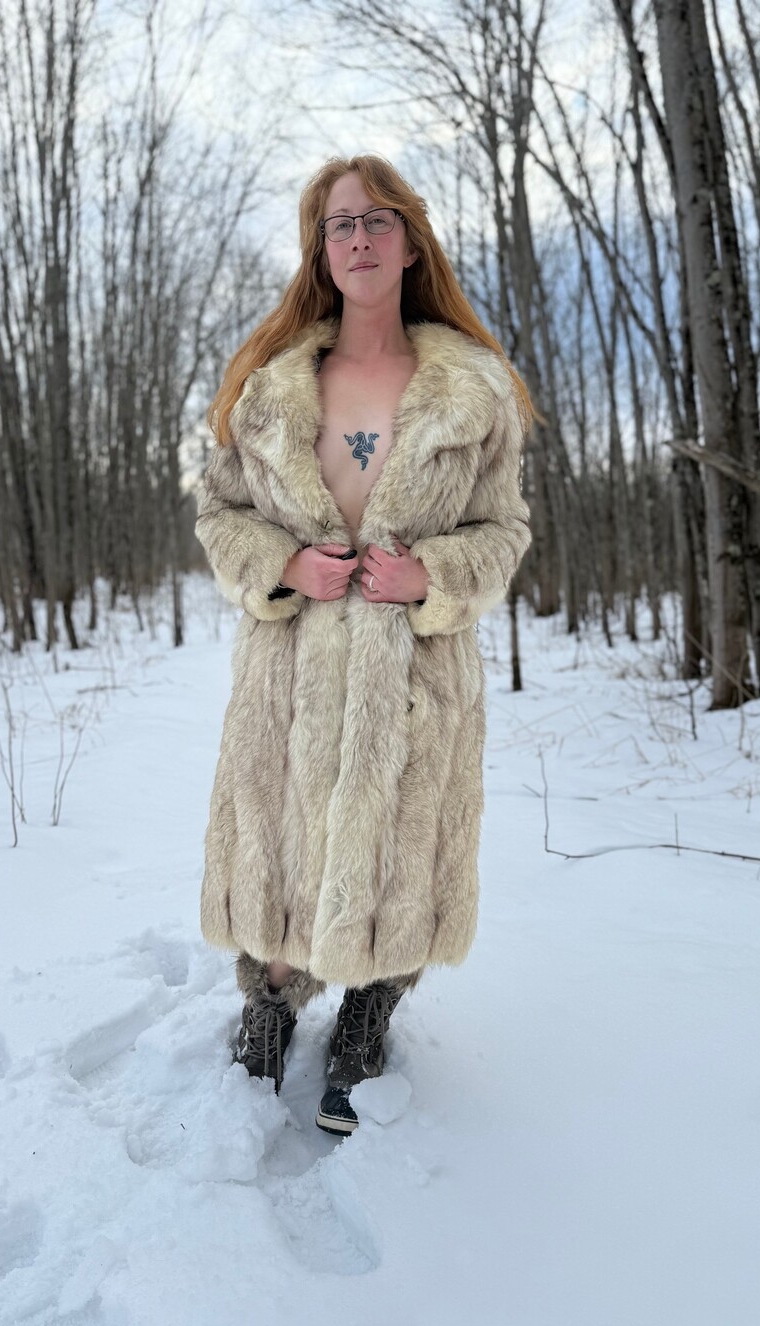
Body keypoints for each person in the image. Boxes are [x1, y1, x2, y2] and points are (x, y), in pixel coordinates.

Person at [195, 154, 534, 1135]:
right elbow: (219, 516)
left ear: (411, 241)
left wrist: (433, 576)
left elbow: (503, 531)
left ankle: (367, 1015)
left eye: (378, 220)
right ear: (320, 249)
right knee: (282, 842)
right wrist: (282, 564)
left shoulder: (475, 391)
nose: (359, 239)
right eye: (339, 225)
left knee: (393, 853)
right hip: (291, 670)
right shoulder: (267, 387)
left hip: (412, 674)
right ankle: (268, 1005)